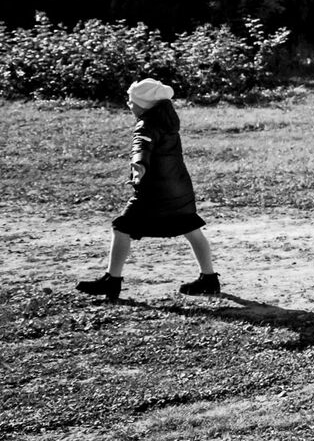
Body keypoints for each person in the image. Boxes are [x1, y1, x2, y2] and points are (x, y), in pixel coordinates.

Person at [76, 78, 220, 301]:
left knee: (121, 227)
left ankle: (111, 281)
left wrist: (138, 166)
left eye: (132, 101)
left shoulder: (146, 124)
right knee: (191, 228)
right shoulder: (168, 121)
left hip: (156, 192)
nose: (129, 104)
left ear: (145, 104)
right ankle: (209, 279)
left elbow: (141, 146)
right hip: (178, 187)